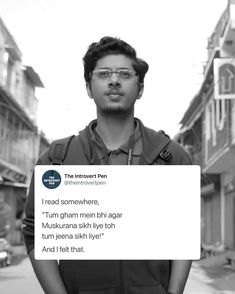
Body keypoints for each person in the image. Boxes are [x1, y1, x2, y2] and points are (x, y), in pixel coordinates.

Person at [23, 36, 192, 294]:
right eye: (103, 74)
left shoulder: (171, 157)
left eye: (125, 73)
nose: (114, 80)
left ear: (141, 87)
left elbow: (184, 232)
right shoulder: (56, 160)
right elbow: (36, 235)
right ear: (89, 88)